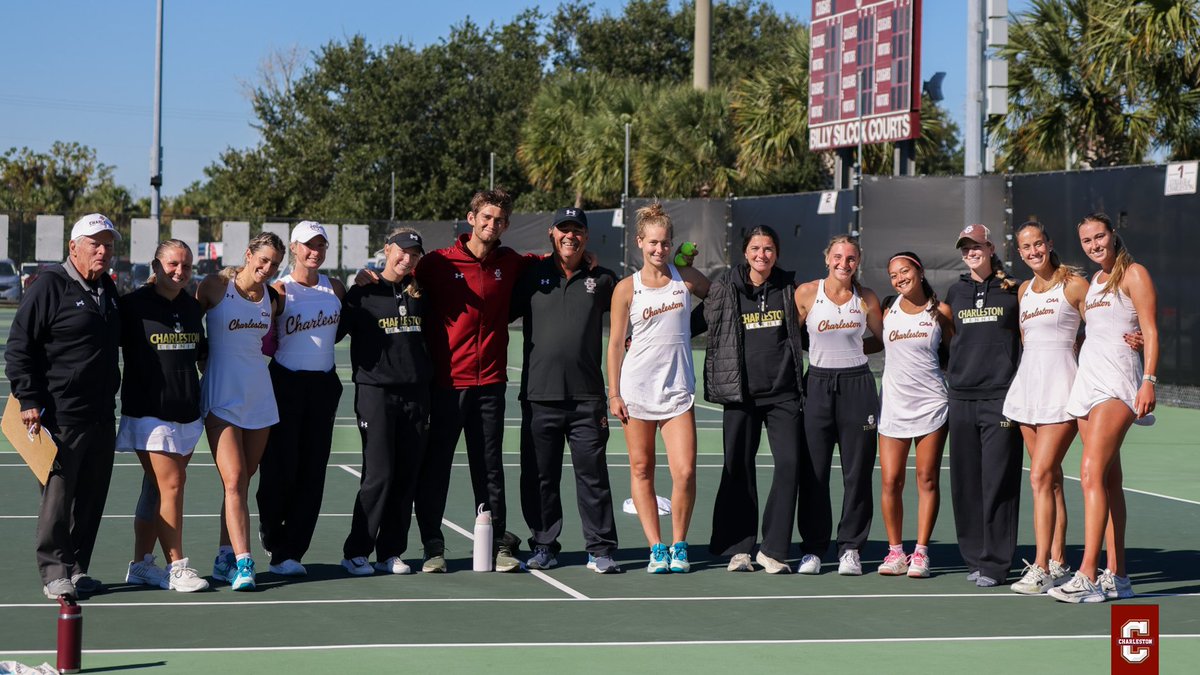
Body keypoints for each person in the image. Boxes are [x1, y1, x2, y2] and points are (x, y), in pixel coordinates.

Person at [411, 189, 535, 573]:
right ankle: (433, 546)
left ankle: (499, 545)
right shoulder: (435, 264)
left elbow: (547, 262)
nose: (491, 224)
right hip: (447, 387)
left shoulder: (511, 263)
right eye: (486, 217)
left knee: (490, 467)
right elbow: (401, 276)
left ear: (506, 225)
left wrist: (588, 258)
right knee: (437, 468)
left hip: (491, 385)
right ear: (471, 218)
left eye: (499, 220)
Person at [6, 213, 122, 599]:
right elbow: (20, 346)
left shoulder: (108, 290)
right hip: (60, 414)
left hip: (103, 413)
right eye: (95, 243)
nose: (103, 250)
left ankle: (77, 568)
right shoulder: (49, 287)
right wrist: (29, 397)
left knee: (92, 498)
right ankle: (55, 570)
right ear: (74, 247)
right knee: (59, 496)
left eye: (108, 243)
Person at [1050, 213, 1158, 603]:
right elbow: (1099, 329)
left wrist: (1149, 378)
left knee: (1090, 473)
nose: (1095, 245)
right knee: (1108, 482)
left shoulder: (1135, 274)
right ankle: (1120, 576)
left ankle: (1086, 573)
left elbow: (1151, 328)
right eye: (1087, 240)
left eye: (1100, 237)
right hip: (1086, 384)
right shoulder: (1093, 281)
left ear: (1113, 235)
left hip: (1119, 386)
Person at [512, 207, 620, 574]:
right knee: (539, 476)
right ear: (551, 233)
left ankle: (601, 549)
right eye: (564, 230)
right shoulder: (530, 275)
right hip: (539, 395)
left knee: (593, 475)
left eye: (577, 230)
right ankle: (544, 544)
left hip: (588, 398)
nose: (570, 236)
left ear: (586, 237)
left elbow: (636, 312)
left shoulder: (604, 279)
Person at [607, 202, 710, 574]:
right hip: (636, 392)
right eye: (652, 243)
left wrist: (687, 264)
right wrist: (614, 393)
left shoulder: (685, 279)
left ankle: (679, 544)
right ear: (640, 243)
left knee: (684, 471)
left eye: (665, 243)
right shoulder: (625, 288)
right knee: (641, 469)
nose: (659, 249)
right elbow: (616, 343)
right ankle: (656, 547)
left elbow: (715, 300)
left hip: (678, 391)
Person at [703, 226, 806, 574]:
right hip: (740, 393)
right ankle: (739, 548)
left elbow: (811, 327)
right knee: (738, 468)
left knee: (790, 465)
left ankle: (773, 548)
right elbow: (697, 319)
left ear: (777, 252)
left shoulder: (790, 287)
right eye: (755, 248)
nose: (762, 254)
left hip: (784, 394)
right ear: (745, 252)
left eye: (768, 248)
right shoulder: (725, 286)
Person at [118, 239, 210, 592]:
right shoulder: (132, 306)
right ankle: (177, 566)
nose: (179, 272)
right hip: (148, 413)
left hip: (187, 412)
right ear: (155, 266)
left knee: (155, 490)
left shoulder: (191, 307)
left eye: (186, 266)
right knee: (171, 485)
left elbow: (200, 353)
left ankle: (141, 564)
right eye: (172, 264)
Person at [339, 229, 432, 576]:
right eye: (402, 252)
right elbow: (333, 332)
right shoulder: (363, 291)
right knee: (379, 474)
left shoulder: (422, 291)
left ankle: (391, 551)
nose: (407, 259)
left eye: (414, 254)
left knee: (406, 476)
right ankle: (356, 552)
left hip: (416, 394)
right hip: (375, 392)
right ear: (387, 249)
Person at [197, 231, 285, 591]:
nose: (267, 268)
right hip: (220, 395)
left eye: (275, 264)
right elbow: (183, 319)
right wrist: (200, 357)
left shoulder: (273, 298)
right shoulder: (215, 287)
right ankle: (244, 563)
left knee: (243, 481)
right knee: (232, 481)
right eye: (262, 260)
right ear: (248, 254)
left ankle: (223, 555)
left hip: (259, 396)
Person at [256, 222, 345, 578]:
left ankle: (290, 551)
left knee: (312, 471)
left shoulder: (335, 288)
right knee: (280, 467)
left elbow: (341, 330)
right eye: (309, 245)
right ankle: (269, 526)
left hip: (323, 387)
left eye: (321, 246)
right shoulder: (280, 290)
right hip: (285, 385)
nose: (315, 252)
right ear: (294, 248)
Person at [792, 235, 884, 576]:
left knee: (857, 474)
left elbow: (882, 338)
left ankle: (850, 548)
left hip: (857, 386)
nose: (844, 263)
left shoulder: (866, 299)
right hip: (816, 385)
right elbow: (790, 337)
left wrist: (855, 354)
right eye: (838, 256)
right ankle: (814, 549)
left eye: (851, 258)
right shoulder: (806, 293)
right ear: (826, 258)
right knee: (814, 472)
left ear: (857, 262)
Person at [1003, 222, 1086, 594]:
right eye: (1026, 247)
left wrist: (1129, 340)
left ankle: (1039, 569)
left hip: (1062, 389)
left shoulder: (1074, 285)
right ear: (1019, 253)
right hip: (1028, 389)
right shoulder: (1022, 290)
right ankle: (1058, 561)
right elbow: (1026, 339)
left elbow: (1099, 325)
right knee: (1049, 481)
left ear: (1049, 244)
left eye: (1039, 243)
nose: (1033, 250)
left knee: (1039, 475)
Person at [944, 224, 1023, 588]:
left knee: (999, 482)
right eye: (966, 248)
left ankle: (996, 562)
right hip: (960, 397)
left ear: (991, 247)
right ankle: (974, 557)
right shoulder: (955, 292)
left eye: (977, 246)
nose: (971, 252)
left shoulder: (1013, 290)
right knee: (965, 483)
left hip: (1001, 398)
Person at [876, 251, 953, 578]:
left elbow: (953, 353)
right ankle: (896, 552)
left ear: (919, 272)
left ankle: (920, 553)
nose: (899, 278)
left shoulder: (941, 312)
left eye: (904, 271)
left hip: (931, 404)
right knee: (891, 479)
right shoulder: (886, 308)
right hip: (893, 405)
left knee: (927, 478)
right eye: (893, 274)